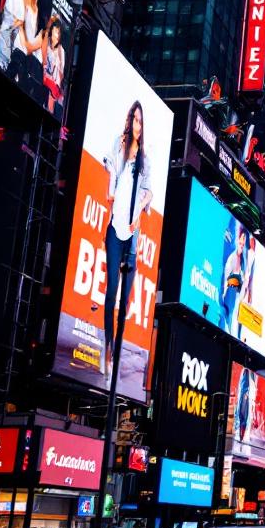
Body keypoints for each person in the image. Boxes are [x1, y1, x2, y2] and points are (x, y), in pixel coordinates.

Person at [100, 101, 152, 380]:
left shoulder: (146, 159)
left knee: (127, 297)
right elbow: (111, 183)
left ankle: (116, 352)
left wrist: (142, 204)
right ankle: (107, 351)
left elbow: (149, 193)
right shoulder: (119, 146)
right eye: (134, 119)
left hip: (133, 234)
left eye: (140, 121)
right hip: (115, 227)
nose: (136, 125)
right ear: (129, 121)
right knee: (111, 292)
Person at [0, 0, 44, 92]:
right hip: (6, 57)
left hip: (23, 65)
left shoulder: (35, 10)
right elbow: (5, 27)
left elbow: (29, 45)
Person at [41, 17, 65, 112]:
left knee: (51, 101)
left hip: (53, 83)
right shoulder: (46, 41)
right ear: (52, 31)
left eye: (59, 33)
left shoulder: (61, 50)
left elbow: (61, 73)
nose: (58, 35)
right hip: (43, 76)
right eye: (56, 32)